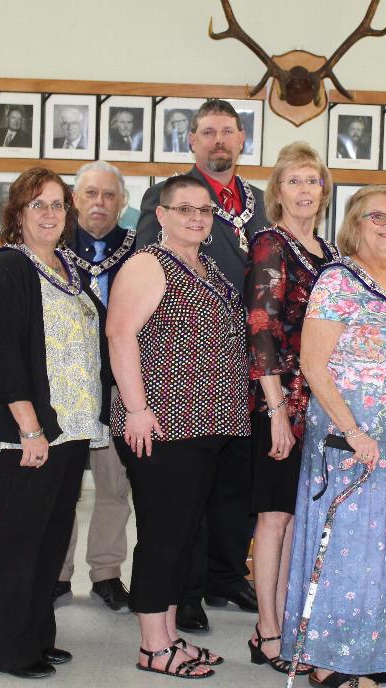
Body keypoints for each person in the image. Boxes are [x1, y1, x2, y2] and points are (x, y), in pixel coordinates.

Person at [281, 185, 386, 688]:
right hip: (348, 433)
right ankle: (327, 661)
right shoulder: (338, 281)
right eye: (377, 217)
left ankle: (365, 653)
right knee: (344, 544)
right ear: (355, 224)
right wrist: (352, 430)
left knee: (380, 547)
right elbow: (313, 365)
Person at [109, 174, 250, 679]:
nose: (196, 217)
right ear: (161, 215)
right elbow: (120, 334)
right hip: (162, 425)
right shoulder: (149, 263)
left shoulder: (206, 265)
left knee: (183, 534)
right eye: (184, 208)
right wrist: (138, 408)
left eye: (205, 210)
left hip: (204, 424)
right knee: (164, 535)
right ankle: (152, 646)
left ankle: (168, 634)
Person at [0, 167, 109, 678]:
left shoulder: (69, 266)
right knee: (18, 540)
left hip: (73, 427)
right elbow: (2, 354)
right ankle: (5, 648)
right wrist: (29, 427)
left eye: (57, 204)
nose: (50, 214)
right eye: (38, 205)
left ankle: (34, 634)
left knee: (51, 538)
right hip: (30, 432)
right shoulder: (9, 266)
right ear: (17, 214)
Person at [137, 98, 267, 632]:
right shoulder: (169, 197)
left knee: (235, 479)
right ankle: (183, 592)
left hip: (243, 363)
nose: (219, 141)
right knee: (186, 493)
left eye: (228, 132)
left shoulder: (257, 199)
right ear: (191, 142)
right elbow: (154, 267)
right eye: (207, 132)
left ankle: (224, 572)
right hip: (185, 361)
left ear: (241, 141)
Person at [244, 142, 338, 678]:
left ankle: (289, 621)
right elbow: (261, 326)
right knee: (274, 518)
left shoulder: (326, 251)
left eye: (313, 181)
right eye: (295, 180)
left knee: (302, 518)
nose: (305, 190)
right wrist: (276, 410)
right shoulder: (270, 244)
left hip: (320, 405)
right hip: (279, 402)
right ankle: (268, 629)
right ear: (277, 190)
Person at [54, 161, 138, 612]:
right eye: (91, 194)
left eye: (109, 196)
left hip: (117, 385)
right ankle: (58, 573)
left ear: (122, 203)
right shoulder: (53, 246)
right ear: (75, 199)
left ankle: (106, 572)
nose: (100, 203)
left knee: (114, 485)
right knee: (63, 484)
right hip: (64, 386)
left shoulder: (138, 250)